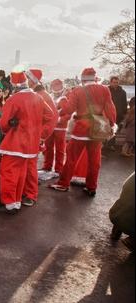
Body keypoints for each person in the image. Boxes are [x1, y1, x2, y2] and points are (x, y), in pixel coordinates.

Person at [50, 68, 116, 196]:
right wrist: (112, 125)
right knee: (95, 161)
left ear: (82, 79)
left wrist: (60, 107)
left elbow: (69, 109)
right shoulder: (104, 89)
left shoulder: (78, 90)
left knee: (71, 158)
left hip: (81, 130)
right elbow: (110, 108)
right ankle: (91, 187)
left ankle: (63, 184)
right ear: (95, 78)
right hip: (98, 129)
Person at [0, 71, 55, 214]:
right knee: (22, 173)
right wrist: (39, 134)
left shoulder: (14, 99)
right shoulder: (38, 98)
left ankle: (10, 203)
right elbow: (50, 116)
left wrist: (9, 127)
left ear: (14, 85)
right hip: (31, 145)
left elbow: (4, 124)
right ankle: (16, 201)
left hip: (15, 143)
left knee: (9, 172)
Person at [23, 68, 58, 206]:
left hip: (34, 136)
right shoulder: (36, 93)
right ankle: (25, 190)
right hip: (28, 135)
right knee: (26, 164)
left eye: (28, 79)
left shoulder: (43, 95)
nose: (26, 81)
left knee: (30, 165)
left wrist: (41, 136)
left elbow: (53, 117)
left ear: (34, 80)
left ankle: (31, 194)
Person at [41, 79, 70, 175]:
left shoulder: (65, 98)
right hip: (50, 127)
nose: (56, 88)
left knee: (60, 148)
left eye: (58, 86)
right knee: (48, 147)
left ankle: (59, 168)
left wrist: (58, 120)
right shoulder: (50, 96)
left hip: (61, 127)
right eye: (54, 86)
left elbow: (68, 114)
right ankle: (47, 166)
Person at [109, 172, 134, 252]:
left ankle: (117, 230)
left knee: (127, 202)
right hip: (130, 224)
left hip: (115, 214)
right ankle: (133, 240)